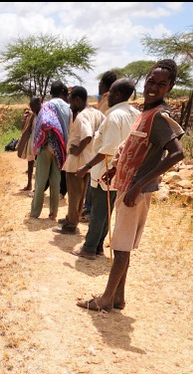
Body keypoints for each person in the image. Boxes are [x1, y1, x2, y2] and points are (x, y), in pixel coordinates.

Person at [78, 60, 185, 312]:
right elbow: (130, 148)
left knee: (120, 247)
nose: (153, 88)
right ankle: (118, 297)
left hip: (135, 191)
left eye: (161, 84)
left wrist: (139, 185)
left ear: (169, 87)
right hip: (128, 185)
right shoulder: (144, 113)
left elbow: (176, 154)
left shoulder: (158, 116)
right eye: (151, 81)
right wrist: (114, 168)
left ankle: (105, 299)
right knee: (121, 244)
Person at [71, 77, 140, 260]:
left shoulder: (114, 116)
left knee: (98, 212)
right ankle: (98, 245)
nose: (105, 97)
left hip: (105, 171)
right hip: (121, 172)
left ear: (117, 94)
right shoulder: (134, 113)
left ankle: (89, 248)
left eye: (108, 94)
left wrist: (86, 166)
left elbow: (108, 150)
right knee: (107, 211)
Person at [55, 86, 105, 234]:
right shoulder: (98, 114)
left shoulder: (82, 116)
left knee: (74, 195)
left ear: (77, 100)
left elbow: (87, 135)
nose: (70, 106)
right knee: (81, 195)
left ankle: (70, 225)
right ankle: (72, 218)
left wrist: (77, 150)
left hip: (77, 162)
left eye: (71, 102)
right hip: (89, 161)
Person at [29, 80, 71, 220]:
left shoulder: (47, 106)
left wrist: (42, 142)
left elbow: (45, 123)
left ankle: (35, 212)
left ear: (51, 92)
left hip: (47, 146)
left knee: (40, 181)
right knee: (55, 182)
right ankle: (53, 214)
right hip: (61, 149)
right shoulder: (68, 108)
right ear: (63, 92)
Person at [82, 71, 120, 221]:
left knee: (96, 181)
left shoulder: (107, 102)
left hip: (105, 149)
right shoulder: (109, 102)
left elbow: (103, 124)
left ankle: (90, 211)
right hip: (108, 148)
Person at [16, 96, 42, 193]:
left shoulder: (43, 115)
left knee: (39, 166)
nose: (32, 109)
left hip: (40, 143)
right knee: (30, 163)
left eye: (33, 107)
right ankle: (29, 184)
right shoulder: (33, 115)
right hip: (32, 142)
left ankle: (38, 187)